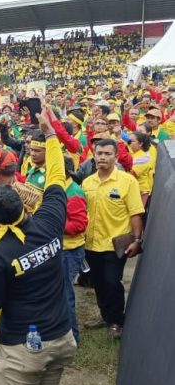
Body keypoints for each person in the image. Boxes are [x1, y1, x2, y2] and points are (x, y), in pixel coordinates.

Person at [0, 109, 76, 385]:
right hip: (62, 339)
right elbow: (56, 175)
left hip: (24, 352)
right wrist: (51, 133)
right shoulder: (51, 219)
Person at [82, 138, 145, 338]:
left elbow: (136, 212)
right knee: (98, 283)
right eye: (99, 153)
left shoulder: (128, 182)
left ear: (116, 157)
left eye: (108, 154)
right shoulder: (87, 182)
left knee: (112, 282)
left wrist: (137, 240)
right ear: (94, 155)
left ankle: (117, 321)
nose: (103, 157)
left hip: (114, 244)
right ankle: (105, 316)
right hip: (91, 243)